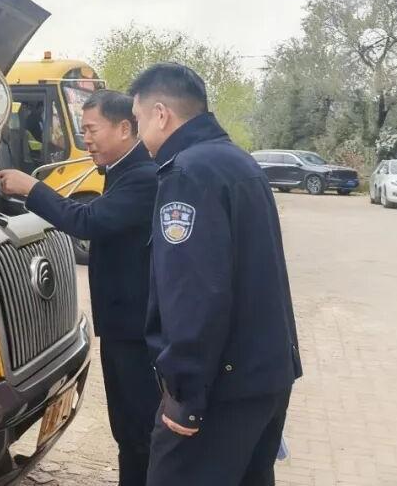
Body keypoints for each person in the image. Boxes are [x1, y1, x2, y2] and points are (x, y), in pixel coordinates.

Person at [129, 63, 301, 486]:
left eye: (138, 121)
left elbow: (194, 293)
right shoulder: (236, 161)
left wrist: (184, 393)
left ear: (161, 114)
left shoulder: (187, 174)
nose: (139, 136)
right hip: (265, 377)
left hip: (220, 389)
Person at [0, 90, 159, 486]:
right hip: (122, 325)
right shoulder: (122, 171)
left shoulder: (143, 177)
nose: (86, 140)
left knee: (137, 429)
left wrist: (30, 188)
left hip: (135, 331)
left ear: (124, 128)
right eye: (83, 130)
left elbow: (86, 221)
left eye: (91, 130)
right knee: (128, 428)